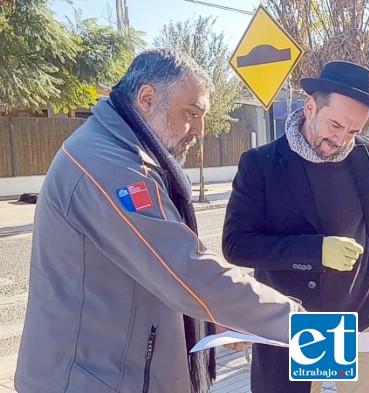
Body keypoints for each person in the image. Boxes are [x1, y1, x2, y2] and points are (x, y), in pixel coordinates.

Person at [14, 49, 302, 393]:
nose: (199, 129)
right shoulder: (107, 165)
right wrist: (297, 323)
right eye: (191, 113)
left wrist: (212, 322)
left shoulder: (124, 152)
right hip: (93, 379)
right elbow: (182, 268)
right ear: (147, 99)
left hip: (118, 371)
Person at [222, 60, 369, 393]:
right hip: (298, 322)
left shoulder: (366, 154)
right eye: (335, 125)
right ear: (310, 107)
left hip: (358, 316)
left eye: (354, 131)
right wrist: (314, 251)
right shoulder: (262, 164)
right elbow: (236, 244)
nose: (341, 139)